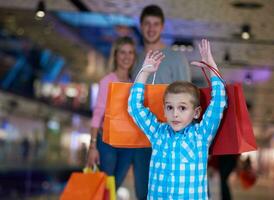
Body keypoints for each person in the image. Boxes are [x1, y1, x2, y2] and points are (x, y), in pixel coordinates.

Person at [128, 39, 227, 199]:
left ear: (196, 112)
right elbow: (134, 107)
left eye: (182, 108)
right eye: (170, 107)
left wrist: (211, 66)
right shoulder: (157, 134)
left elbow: (219, 101)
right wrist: (145, 72)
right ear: (164, 110)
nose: (175, 114)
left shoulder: (201, 136)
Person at [131, 5, 191, 199]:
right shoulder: (136, 58)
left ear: (162, 27)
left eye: (155, 24)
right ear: (141, 26)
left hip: (168, 139)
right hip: (139, 138)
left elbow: (188, 98)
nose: (151, 28)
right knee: (143, 192)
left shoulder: (176, 58)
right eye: (147, 23)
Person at [86, 36, 135, 189]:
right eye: (122, 52)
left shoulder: (135, 84)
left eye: (130, 53)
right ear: (115, 55)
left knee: (115, 185)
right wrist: (92, 146)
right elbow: (97, 114)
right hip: (107, 142)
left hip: (127, 145)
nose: (126, 57)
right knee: (105, 185)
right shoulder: (107, 81)